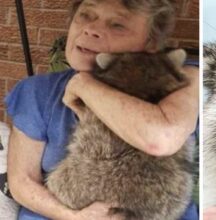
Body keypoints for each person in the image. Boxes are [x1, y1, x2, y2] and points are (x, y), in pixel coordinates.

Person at [5, 0, 199, 219]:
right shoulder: (37, 91)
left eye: (117, 25)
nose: (91, 29)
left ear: (151, 43)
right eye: (86, 15)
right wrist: (74, 216)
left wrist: (84, 85)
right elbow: (22, 182)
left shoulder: (179, 80)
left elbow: (160, 138)